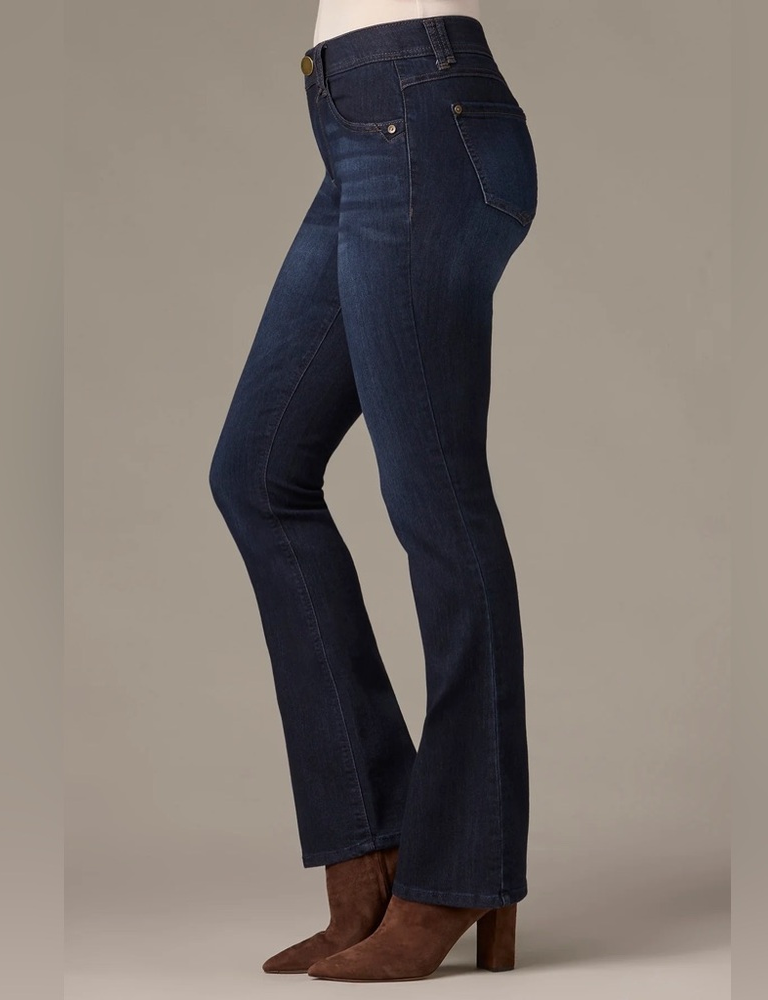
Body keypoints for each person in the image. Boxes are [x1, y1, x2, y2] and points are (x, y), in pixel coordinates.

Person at [208, 4, 538, 981]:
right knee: (257, 475)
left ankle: (465, 867)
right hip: (366, 124)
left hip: (420, 112)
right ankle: (373, 850)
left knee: (437, 501)